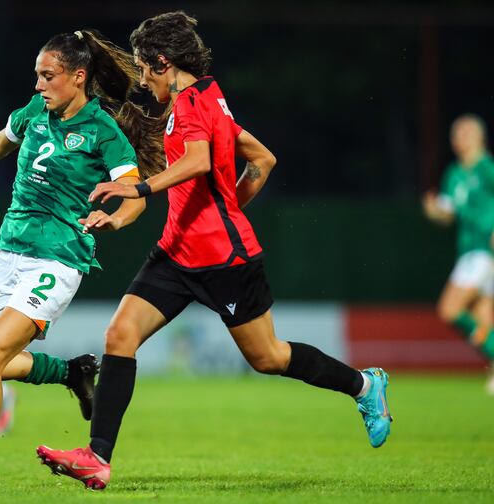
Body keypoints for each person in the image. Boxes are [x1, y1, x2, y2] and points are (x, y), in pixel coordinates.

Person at [36, 11, 393, 490]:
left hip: (224, 260)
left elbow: (201, 160)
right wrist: (228, 205)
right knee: (120, 334)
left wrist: (142, 191)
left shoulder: (191, 105)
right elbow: (263, 159)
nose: (143, 78)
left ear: (163, 62)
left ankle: (365, 386)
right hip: (175, 253)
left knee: (267, 358)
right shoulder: (209, 97)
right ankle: (97, 457)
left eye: (144, 68)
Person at [0, 29, 164, 491]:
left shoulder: (104, 131)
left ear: (78, 77)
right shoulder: (33, 112)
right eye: (37, 76)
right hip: (7, 251)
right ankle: (70, 371)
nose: (39, 85)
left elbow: (135, 197)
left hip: (57, 258)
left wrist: (115, 219)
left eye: (48, 76)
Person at [422, 113, 494, 394]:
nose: (459, 138)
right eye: (456, 133)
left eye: (465, 132)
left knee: (450, 310)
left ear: (479, 137)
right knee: (483, 317)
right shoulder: (454, 173)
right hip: (468, 252)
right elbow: (448, 214)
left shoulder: (486, 167)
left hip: (482, 252)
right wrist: (435, 213)